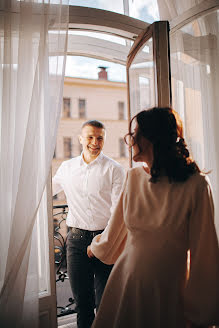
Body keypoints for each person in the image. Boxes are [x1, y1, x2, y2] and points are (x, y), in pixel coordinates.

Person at [87, 107, 219, 328]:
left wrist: (200, 313)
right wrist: (96, 247)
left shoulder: (196, 185)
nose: (130, 140)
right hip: (126, 281)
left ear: (152, 138)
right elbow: (116, 229)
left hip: (167, 289)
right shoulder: (133, 177)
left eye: (135, 133)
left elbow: (204, 255)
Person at [52, 120, 125, 328]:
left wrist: (102, 242)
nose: (95, 142)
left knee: (106, 304)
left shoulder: (114, 169)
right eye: (90, 137)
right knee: (82, 305)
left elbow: (117, 212)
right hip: (76, 241)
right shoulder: (67, 168)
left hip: (106, 239)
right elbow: (47, 190)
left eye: (100, 138)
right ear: (81, 139)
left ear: (104, 140)